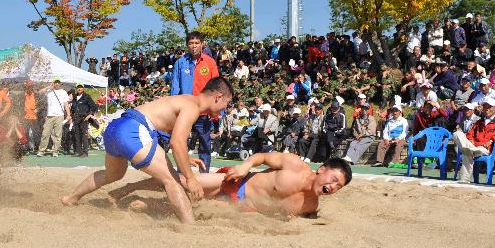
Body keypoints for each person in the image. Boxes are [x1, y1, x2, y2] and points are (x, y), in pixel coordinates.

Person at [61, 76, 234, 223]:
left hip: (117, 127)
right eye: (226, 104)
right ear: (218, 97)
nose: (224, 110)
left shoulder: (185, 99)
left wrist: (185, 159)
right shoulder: (193, 106)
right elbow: (177, 143)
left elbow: (168, 130)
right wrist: (190, 179)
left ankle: (71, 198)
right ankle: (190, 226)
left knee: (112, 174)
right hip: (133, 130)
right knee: (172, 181)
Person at [109, 153, 351, 218]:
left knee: (193, 209)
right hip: (238, 184)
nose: (333, 185)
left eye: (338, 186)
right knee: (183, 183)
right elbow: (261, 157)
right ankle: (128, 188)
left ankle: (149, 204)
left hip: (242, 209)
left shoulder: (311, 205)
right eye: (334, 178)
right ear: (322, 169)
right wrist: (245, 166)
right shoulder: (295, 165)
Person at [170, 31, 220, 172]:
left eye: (196, 43)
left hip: (203, 111)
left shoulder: (210, 62)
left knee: (205, 144)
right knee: (181, 143)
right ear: (187, 45)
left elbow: (216, 87)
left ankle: (204, 175)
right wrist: (173, 109)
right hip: (184, 111)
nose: (193, 46)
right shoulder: (180, 63)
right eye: (191, 43)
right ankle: (182, 174)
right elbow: (175, 87)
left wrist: (214, 109)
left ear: (202, 44)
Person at [452, 99, 495, 182]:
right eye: (485, 106)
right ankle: (469, 149)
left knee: (466, 152)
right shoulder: (480, 121)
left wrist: (491, 140)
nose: (486, 109)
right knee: (457, 134)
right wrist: (470, 139)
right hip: (474, 146)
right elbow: (470, 134)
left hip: (486, 148)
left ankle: (464, 179)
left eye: (489, 107)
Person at [36, 78, 70, 157]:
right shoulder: (49, 91)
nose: (57, 84)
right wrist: (49, 87)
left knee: (58, 135)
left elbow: (66, 104)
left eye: (58, 82)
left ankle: (55, 151)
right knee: (45, 134)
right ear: (53, 83)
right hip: (49, 116)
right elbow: (39, 92)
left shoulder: (63, 92)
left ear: (60, 83)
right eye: (55, 82)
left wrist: (68, 115)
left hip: (60, 116)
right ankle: (41, 150)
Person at [70, 83, 97, 157]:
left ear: (83, 88)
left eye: (81, 87)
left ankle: (85, 152)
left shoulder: (87, 96)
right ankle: (78, 152)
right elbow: (73, 108)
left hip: (84, 119)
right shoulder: (75, 97)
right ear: (76, 88)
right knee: (76, 135)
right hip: (76, 119)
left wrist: (89, 115)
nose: (79, 89)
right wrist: (71, 116)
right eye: (78, 87)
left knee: (84, 136)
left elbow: (94, 107)